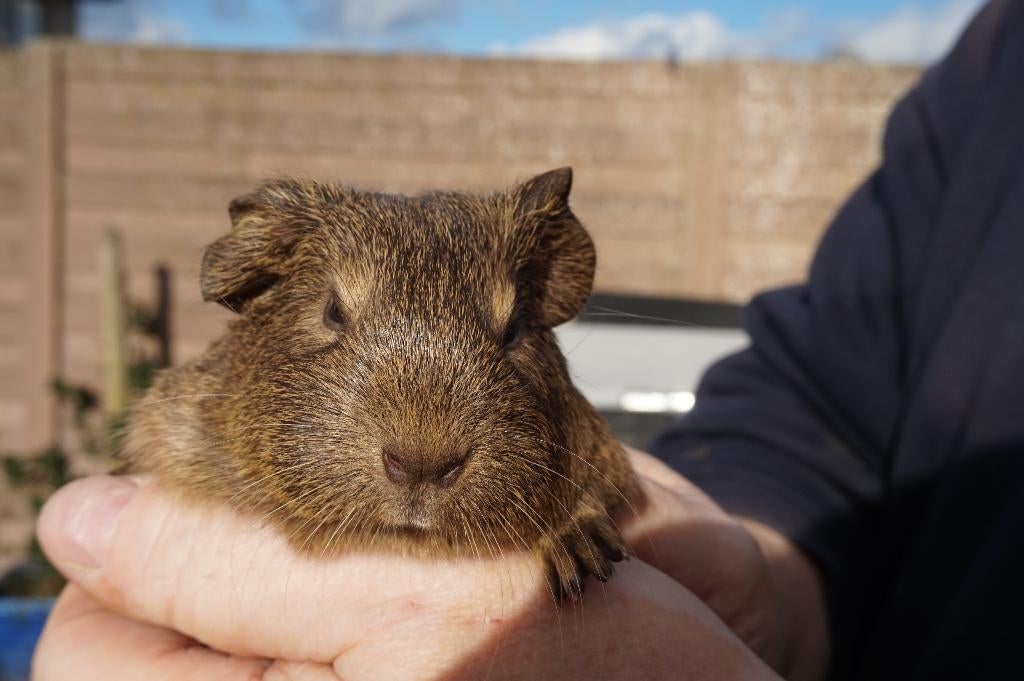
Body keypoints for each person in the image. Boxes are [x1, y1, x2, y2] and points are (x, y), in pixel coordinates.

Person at [31, 0, 1024, 678]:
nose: (424, 445)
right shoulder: (985, 90)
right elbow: (826, 407)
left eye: (509, 335)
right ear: (264, 282)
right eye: (336, 318)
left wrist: (578, 524)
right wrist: (757, 588)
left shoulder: (571, 460)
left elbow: (596, 471)